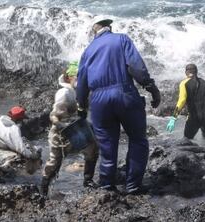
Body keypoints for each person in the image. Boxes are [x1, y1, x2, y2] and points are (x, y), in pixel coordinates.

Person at [76, 19, 161, 194]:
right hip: (124, 93)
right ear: (109, 27)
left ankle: (107, 186)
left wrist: (82, 107)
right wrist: (151, 87)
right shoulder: (121, 39)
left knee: (106, 144)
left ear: (94, 30)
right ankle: (133, 185)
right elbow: (136, 66)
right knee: (138, 140)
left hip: (98, 100)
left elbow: (82, 82)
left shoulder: (88, 50)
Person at [40, 61, 99, 196]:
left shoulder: (79, 92)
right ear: (68, 77)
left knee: (93, 149)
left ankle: (88, 181)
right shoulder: (64, 92)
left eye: (81, 77)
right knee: (55, 162)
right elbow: (53, 116)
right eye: (76, 77)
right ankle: (44, 189)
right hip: (60, 133)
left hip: (76, 128)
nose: (79, 80)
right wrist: (61, 125)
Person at [166, 64, 205, 139]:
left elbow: (182, 101)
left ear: (186, 73)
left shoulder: (184, 83)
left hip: (194, 118)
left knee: (187, 141)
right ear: (196, 72)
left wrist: (173, 118)